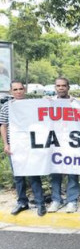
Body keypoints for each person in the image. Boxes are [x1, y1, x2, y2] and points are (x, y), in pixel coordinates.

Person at [0, 81, 46, 216]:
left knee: (33, 174)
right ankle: (22, 202)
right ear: (11, 92)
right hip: (15, 146)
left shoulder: (31, 105)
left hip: (30, 145)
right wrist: (6, 144)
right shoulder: (6, 107)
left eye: (20, 89)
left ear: (24, 90)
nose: (18, 91)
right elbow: (3, 125)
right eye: (15, 89)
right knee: (18, 176)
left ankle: (40, 203)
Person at [46, 77, 80, 213]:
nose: (61, 88)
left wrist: (78, 103)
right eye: (58, 86)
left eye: (63, 86)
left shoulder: (75, 102)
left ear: (68, 87)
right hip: (55, 142)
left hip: (72, 142)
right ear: (55, 88)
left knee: (72, 172)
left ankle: (72, 201)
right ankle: (56, 200)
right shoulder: (49, 102)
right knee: (55, 172)